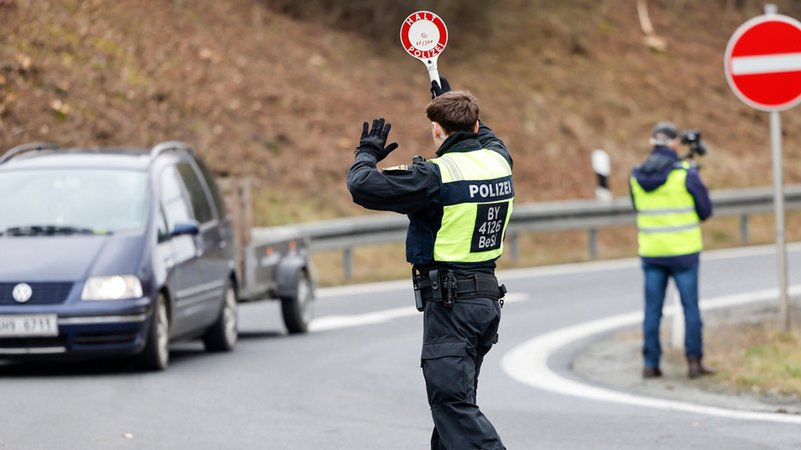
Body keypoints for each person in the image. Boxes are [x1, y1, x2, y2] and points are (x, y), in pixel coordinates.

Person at [347, 77, 511, 450]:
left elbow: (361, 186)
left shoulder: (434, 177)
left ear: (436, 129)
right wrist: (449, 99)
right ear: (475, 124)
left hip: (452, 308)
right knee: (454, 409)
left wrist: (366, 153)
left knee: (452, 406)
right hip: (485, 304)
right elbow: (486, 135)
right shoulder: (499, 161)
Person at [629, 121, 714, 380]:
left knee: (652, 310)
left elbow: (637, 207)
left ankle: (650, 364)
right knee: (690, 308)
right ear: (676, 143)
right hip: (684, 253)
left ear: (651, 143)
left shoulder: (636, 175)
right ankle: (694, 362)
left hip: (652, 251)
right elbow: (705, 210)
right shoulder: (685, 173)